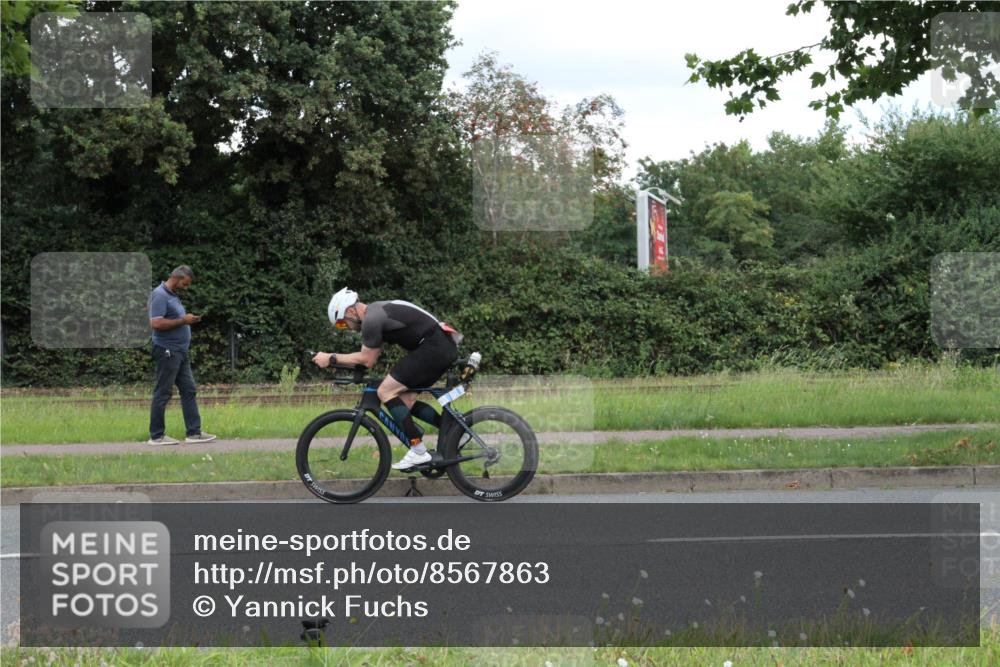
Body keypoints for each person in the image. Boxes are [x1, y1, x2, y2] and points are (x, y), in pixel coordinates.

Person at [312, 288, 459, 470]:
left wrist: (331, 358)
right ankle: (454, 429)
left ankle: (418, 450)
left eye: (343, 324)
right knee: (405, 401)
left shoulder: (371, 320)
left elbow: (367, 360)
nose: (347, 328)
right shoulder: (376, 312)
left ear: (350, 311)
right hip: (438, 346)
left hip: (434, 348)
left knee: (385, 391)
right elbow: (369, 359)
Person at [146, 266, 216, 445]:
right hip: (167, 350)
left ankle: (194, 433)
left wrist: (187, 321)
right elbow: (156, 323)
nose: (186, 287)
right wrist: (184, 321)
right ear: (177, 278)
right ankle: (156, 436)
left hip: (180, 352)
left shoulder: (173, 296)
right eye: (185, 283)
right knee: (163, 392)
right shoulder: (160, 295)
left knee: (189, 390)